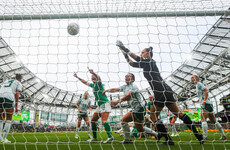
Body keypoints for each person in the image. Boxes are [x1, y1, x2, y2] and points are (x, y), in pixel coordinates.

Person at [116, 41, 203, 145]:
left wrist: (123, 47)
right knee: (179, 113)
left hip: (160, 91)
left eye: (142, 52)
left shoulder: (150, 61)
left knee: (153, 116)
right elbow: (132, 63)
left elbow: (136, 58)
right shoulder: (147, 64)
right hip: (167, 90)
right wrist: (123, 53)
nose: (141, 54)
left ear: (148, 53)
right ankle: (198, 135)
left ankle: (167, 139)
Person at [103, 73, 158, 144]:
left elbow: (128, 96)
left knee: (124, 120)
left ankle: (127, 140)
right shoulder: (125, 87)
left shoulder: (133, 86)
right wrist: (106, 90)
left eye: (128, 76)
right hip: (135, 109)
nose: (126, 77)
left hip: (139, 108)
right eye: (125, 76)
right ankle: (157, 134)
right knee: (140, 128)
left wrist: (117, 101)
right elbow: (115, 89)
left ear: (132, 79)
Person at [73, 68, 113, 143]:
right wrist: (78, 77)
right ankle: (94, 138)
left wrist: (93, 73)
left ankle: (110, 137)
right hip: (99, 106)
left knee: (104, 121)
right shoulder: (93, 85)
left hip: (105, 103)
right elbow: (85, 82)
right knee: (93, 121)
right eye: (92, 77)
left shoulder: (99, 84)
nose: (93, 77)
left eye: (94, 77)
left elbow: (99, 78)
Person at [191, 75, 227, 140]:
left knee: (203, 119)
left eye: (192, 78)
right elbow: (202, 95)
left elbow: (206, 90)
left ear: (196, 78)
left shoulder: (199, 84)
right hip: (209, 104)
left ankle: (205, 137)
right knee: (214, 120)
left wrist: (204, 101)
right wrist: (196, 101)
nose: (191, 79)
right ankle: (223, 136)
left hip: (206, 104)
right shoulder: (197, 85)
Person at [0, 74, 23, 143]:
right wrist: (16, 106)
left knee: (1, 119)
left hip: (0, 96)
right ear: (20, 79)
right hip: (8, 97)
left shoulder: (6, 81)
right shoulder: (18, 83)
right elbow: (17, 93)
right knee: (9, 118)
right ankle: (4, 139)